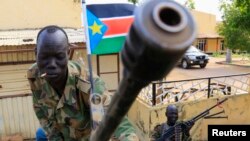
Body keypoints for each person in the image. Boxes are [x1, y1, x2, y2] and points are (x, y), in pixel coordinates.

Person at [27, 25, 139, 141]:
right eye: (44, 57)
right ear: (36, 53)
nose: (52, 64)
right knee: (41, 134)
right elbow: (41, 112)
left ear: (68, 53)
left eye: (59, 57)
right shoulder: (34, 75)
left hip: (88, 136)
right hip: (60, 132)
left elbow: (115, 119)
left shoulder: (88, 83)